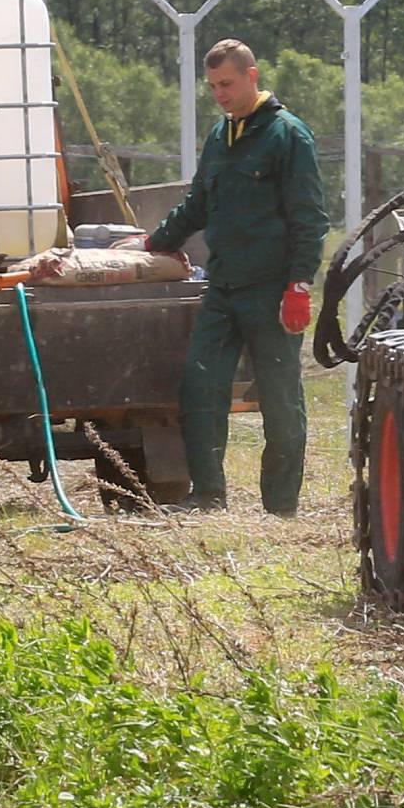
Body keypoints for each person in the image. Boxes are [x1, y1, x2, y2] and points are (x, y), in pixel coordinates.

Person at [145, 40, 328, 516]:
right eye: (212, 87)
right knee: (199, 387)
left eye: (226, 84)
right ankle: (208, 495)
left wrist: (300, 285)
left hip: (271, 290)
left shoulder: (288, 136)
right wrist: (155, 243)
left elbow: (310, 219)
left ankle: (281, 506)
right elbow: (198, 205)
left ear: (252, 75)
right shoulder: (220, 136)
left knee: (280, 398)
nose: (219, 95)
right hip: (223, 287)